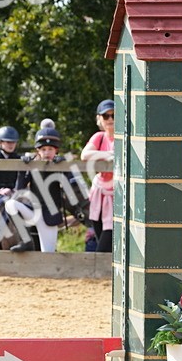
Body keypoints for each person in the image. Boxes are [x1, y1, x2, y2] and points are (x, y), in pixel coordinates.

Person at [10, 119, 77, 253]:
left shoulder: (61, 165)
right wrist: (23, 168)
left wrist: (64, 166)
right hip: (33, 211)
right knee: (10, 204)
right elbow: (19, 189)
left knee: (48, 253)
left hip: (50, 215)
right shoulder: (33, 165)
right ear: (38, 151)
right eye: (44, 149)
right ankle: (25, 240)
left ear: (56, 150)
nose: (47, 152)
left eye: (50, 149)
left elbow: (70, 185)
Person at [81, 99, 116, 252]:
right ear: (99, 119)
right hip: (99, 193)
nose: (110, 119)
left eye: (113, 115)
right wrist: (107, 155)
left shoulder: (124, 137)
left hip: (117, 194)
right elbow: (85, 155)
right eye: (106, 116)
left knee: (105, 244)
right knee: (99, 234)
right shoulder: (99, 137)